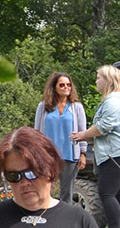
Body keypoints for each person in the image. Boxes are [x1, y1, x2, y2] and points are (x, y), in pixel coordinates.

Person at [71, 63, 120, 228]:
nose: (96, 81)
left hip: (115, 152)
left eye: (98, 77)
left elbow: (106, 126)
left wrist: (83, 135)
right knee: (118, 194)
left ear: (108, 80)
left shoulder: (113, 100)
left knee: (106, 192)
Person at [34, 72, 88, 206]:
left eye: (68, 85)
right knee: (45, 190)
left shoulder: (76, 107)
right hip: (48, 155)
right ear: (54, 87)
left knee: (67, 193)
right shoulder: (43, 107)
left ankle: (65, 223)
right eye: (62, 85)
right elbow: (36, 131)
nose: (66, 87)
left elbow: (83, 131)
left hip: (70, 154)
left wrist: (83, 153)